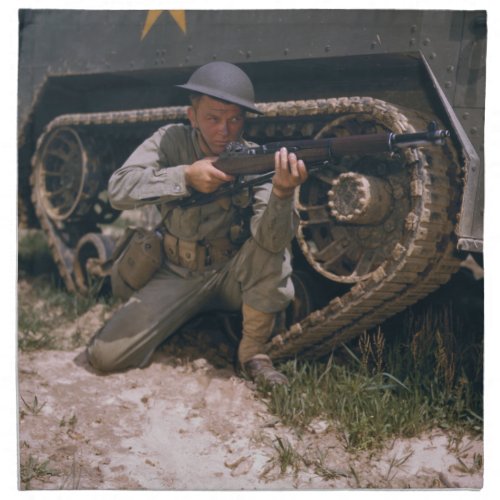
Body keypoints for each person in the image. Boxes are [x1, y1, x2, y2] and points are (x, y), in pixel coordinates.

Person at [86, 61, 308, 385]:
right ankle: (193, 318)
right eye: (213, 118)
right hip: (176, 270)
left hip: (233, 272)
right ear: (193, 117)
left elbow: (273, 241)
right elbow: (118, 190)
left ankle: (253, 354)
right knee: (104, 356)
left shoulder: (256, 158)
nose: (224, 129)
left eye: (235, 119)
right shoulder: (170, 141)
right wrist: (185, 176)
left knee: (269, 251)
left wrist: (283, 193)